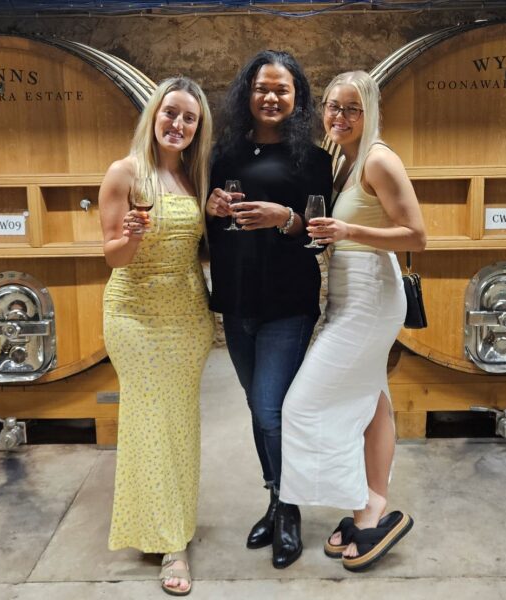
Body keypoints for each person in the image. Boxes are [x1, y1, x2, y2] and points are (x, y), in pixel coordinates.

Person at [280, 70, 427, 572]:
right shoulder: (344, 157)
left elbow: (416, 236)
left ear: (369, 112)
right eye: (331, 106)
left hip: (371, 298)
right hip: (350, 294)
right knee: (374, 403)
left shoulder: (380, 159)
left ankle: (358, 498)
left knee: (302, 403)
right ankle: (373, 506)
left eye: (351, 108)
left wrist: (348, 229)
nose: (338, 116)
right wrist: (333, 236)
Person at [204, 50, 333, 569]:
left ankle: (290, 511)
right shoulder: (225, 156)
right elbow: (212, 233)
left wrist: (286, 219)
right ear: (247, 94)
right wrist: (212, 210)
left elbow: (319, 239)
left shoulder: (313, 160)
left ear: (296, 96)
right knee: (259, 411)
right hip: (236, 302)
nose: (271, 97)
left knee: (270, 409)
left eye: (282, 89)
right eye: (262, 88)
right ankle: (276, 497)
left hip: (286, 303)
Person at [100, 76, 214, 596]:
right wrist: (129, 237)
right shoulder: (124, 173)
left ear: (198, 128)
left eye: (189, 118)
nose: (179, 124)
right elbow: (113, 256)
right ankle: (171, 541)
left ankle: (167, 521)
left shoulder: (197, 177)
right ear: (154, 114)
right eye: (171, 113)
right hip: (135, 313)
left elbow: (202, 251)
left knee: (178, 420)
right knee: (148, 416)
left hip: (187, 314)